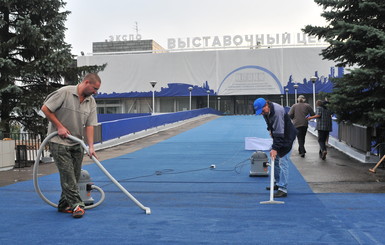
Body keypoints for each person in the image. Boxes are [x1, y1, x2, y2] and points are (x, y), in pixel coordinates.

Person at [41, 73, 101, 218]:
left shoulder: (91, 101)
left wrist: (91, 146)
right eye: (94, 88)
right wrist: (59, 127)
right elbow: (45, 109)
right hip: (59, 141)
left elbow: (90, 125)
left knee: (73, 177)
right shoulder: (65, 93)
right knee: (67, 175)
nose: (95, 92)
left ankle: (63, 205)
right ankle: (77, 206)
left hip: (77, 143)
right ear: (86, 82)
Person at [254, 98, 297, 198]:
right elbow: (269, 123)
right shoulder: (266, 112)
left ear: (266, 105)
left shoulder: (277, 111)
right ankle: (278, 183)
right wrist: (270, 130)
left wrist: (275, 148)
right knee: (274, 159)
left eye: (262, 111)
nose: (262, 113)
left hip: (287, 136)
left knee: (283, 161)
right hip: (279, 136)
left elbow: (279, 133)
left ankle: (283, 189)